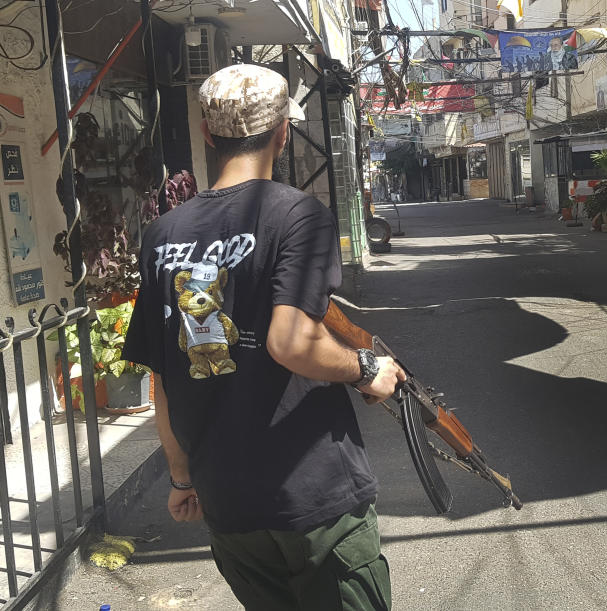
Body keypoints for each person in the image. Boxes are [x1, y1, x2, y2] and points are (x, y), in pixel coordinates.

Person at [122, 64, 405, 610]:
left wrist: (181, 478)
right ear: (282, 132)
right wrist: (369, 369)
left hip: (229, 502)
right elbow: (293, 342)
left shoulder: (161, 235)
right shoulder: (298, 215)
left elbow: (163, 377)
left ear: (208, 134)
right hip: (314, 496)